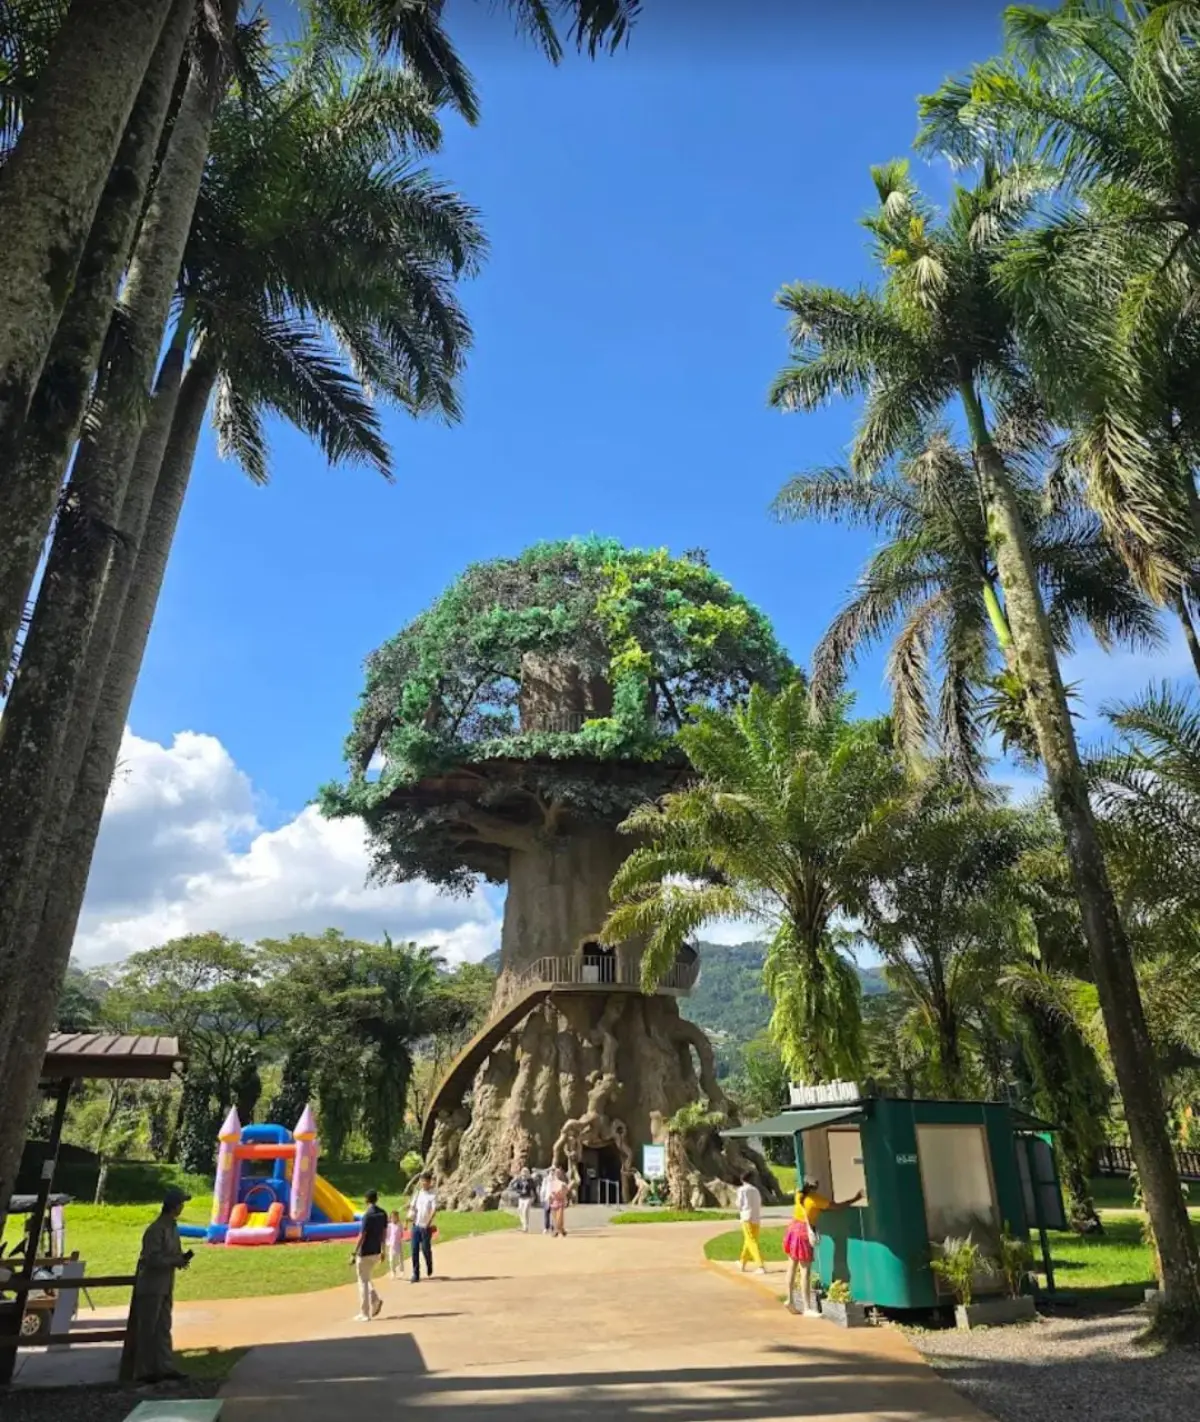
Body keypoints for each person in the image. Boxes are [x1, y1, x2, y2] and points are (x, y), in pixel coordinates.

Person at [132, 1186, 193, 1382]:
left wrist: (181, 1259)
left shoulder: (172, 1228)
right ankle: (144, 1371)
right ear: (174, 1206)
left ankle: (164, 1368)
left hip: (166, 1284)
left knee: (163, 1327)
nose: (182, 1207)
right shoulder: (156, 1230)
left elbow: (172, 1254)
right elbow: (151, 1259)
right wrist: (175, 1261)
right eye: (181, 1203)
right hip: (151, 1286)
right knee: (148, 1329)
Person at [785, 1178, 864, 1315]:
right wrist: (856, 1198)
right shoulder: (816, 1200)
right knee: (805, 1271)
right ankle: (807, 1307)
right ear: (816, 1187)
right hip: (804, 1233)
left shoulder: (799, 1195)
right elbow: (837, 1207)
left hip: (792, 1229)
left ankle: (790, 1300)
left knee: (792, 1266)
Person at [351, 1189, 387, 1320]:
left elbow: (362, 1235)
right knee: (366, 1279)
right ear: (376, 1199)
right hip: (376, 1251)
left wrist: (354, 1252)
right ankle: (375, 1300)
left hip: (365, 1252)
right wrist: (383, 1250)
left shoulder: (367, 1215)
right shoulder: (383, 1214)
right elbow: (384, 1233)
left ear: (366, 1200)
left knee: (362, 1282)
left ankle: (364, 1313)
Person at [409, 1171, 438, 1282]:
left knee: (426, 1249)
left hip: (425, 1227)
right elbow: (413, 1207)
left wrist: (428, 1223)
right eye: (422, 1181)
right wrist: (411, 1213)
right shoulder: (417, 1193)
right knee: (414, 1250)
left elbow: (434, 1210)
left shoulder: (433, 1195)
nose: (423, 1183)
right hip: (416, 1226)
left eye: (426, 1181)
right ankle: (416, 1274)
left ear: (430, 1182)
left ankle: (429, 1264)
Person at [736, 1172, 766, 1275]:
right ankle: (742, 1262)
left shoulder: (742, 1190)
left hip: (746, 1217)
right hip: (756, 1218)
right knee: (749, 1240)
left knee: (751, 1241)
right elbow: (759, 1202)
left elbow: (739, 1204)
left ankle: (760, 1265)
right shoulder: (756, 1190)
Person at [512, 1167, 537, 1232]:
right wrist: (520, 1191)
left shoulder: (530, 1180)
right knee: (520, 1210)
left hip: (528, 1197)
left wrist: (534, 1197)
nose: (524, 1175)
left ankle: (526, 1227)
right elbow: (515, 1188)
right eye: (523, 1173)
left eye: (525, 1173)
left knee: (525, 1211)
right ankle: (523, 1224)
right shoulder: (519, 1180)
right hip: (521, 1198)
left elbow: (533, 1189)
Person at [547, 1166, 568, 1237]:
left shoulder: (563, 1183)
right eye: (556, 1173)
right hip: (554, 1201)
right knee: (554, 1218)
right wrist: (549, 1200)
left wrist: (565, 1200)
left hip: (560, 1201)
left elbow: (565, 1193)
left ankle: (556, 1230)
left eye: (559, 1173)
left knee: (559, 1217)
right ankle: (562, 1230)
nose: (557, 1174)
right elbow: (550, 1193)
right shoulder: (551, 1183)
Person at [386, 1209, 404, 1278]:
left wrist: (400, 1238)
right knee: (391, 1260)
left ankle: (401, 1270)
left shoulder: (399, 1225)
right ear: (390, 1218)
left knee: (400, 1258)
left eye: (395, 1217)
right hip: (391, 1245)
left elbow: (401, 1233)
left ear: (398, 1217)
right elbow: (387, 1235)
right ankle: (393, 1272)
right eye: (392, 1217)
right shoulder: (389, 1226)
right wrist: (388, 1243)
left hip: (398, 1244)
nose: (394, 1218)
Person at [539, 1168, 554, 1234]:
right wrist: (542, 1197)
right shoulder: (546, 1180)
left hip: (555, 1199)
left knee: (554, 1214)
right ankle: (546, 1227)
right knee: (546, 1213)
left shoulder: (557, 1179)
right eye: (551, 1171)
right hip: (547, 1198)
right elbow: (543, 1189)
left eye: (553, 1171)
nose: (552, 1172)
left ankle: (553, 1227)